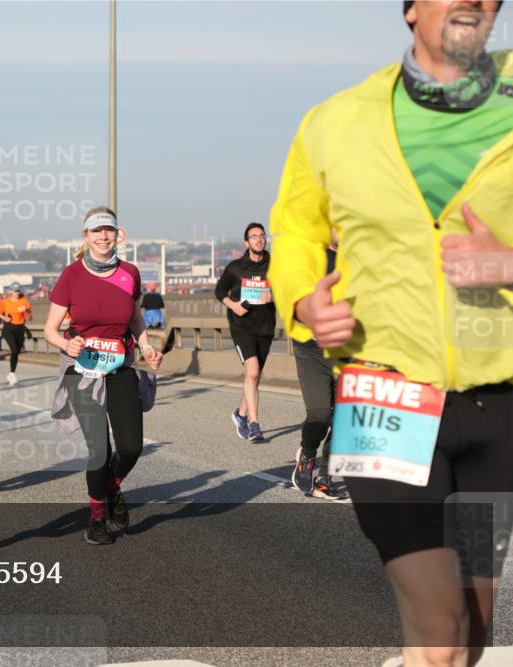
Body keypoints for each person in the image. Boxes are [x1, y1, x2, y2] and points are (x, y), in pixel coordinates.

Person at [269, 3, 511, 664]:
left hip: (498, 406)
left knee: (474, 626)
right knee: (439, 623)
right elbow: (297, 229)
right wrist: (303, 300)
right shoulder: (337, 121)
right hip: (382, 397)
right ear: (409, 9)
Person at [44, 206, 162, 546]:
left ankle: (111, 487)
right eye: (96, 231)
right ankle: (96, 518)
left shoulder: (130, 273)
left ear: (117, 234)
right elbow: (50, 329)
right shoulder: (71, 275)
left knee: (131, 447)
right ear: (86, 236)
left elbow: (135, 318)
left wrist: (146, 346)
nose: (103, 236)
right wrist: (67, 343)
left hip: (120, 368)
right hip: (83, 371)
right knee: (99, 450)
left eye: (108, 230)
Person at [290, 241, 348, 501]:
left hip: (344, 349)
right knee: (320, 415)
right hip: (311, 349)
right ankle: (307, 456)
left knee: (344, 418)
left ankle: (325, 478)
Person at [215, 222, 276, 443]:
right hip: (242, 327)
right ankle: (254, 424)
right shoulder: (235, 268)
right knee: (252, 371)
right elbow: (219, 290)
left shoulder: (275, 266)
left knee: (254, 376)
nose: (259, 239)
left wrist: (274, 296)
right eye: (254, 236)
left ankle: (240, 414)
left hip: (265, 327)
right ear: (246, 242)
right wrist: (233, 305)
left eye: (262, 235)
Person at [0, 282, 32, 386]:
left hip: (20, 328)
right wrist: (4, 318)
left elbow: (30, 318)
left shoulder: (24, 301)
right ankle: (12, 374)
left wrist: (26, 311)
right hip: (9, 328)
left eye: (18, 290)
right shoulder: (6, 302)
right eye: (15, 291)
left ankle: (11, 373)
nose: (17, 292)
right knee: (14, 350)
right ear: (11, 291)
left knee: (17, 352)